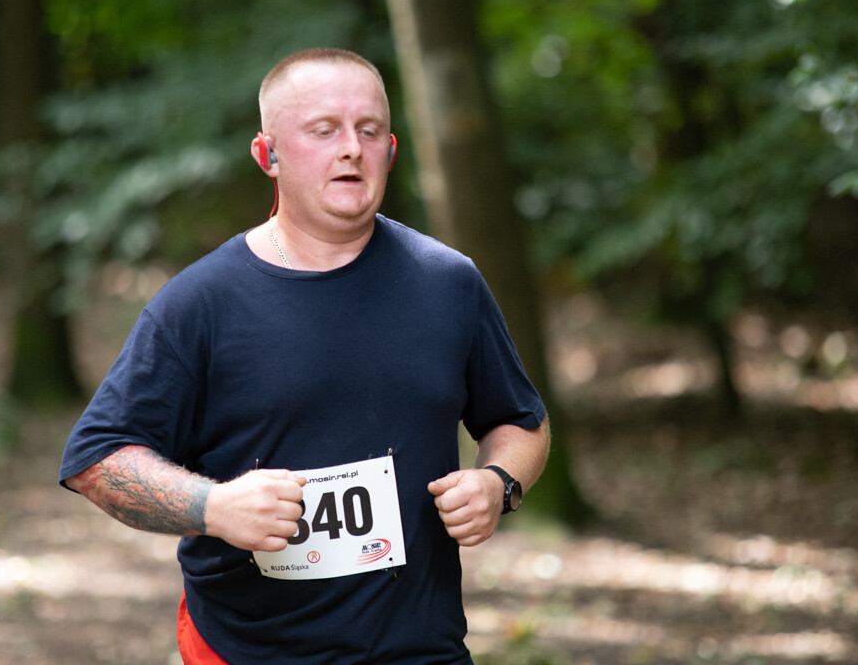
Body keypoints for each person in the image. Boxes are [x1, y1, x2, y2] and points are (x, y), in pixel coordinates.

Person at [59, 48, 550, 664]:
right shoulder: (201, 303)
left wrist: (498, 482)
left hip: (421, 651)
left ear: (391, 150)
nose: (351, 148)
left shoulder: (447, 281)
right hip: (248, 651)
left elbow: (522, 420)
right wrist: (212, 507)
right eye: (323, 130)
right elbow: (97, 459)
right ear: (268, 155)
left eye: (368, 131)